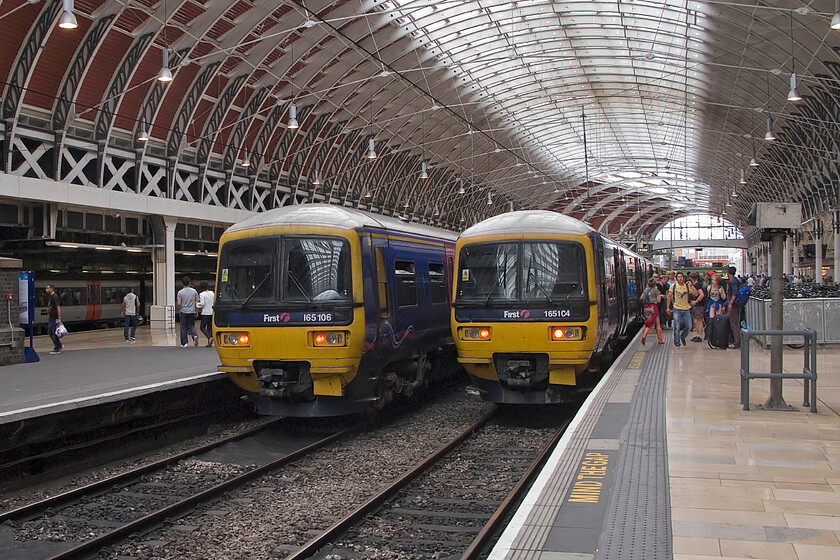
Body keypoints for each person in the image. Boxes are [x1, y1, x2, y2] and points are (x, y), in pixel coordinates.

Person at [667, 272, 691, 348]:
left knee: (689, 326)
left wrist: (691, 285)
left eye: (681, 277)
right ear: (676, 278)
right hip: (677, 308)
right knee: (677, 326)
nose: (680, 278)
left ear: (684, 278)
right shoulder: (673, 286)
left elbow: (695, 294)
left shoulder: (687, 286)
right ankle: (677, 343)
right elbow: (669, 296)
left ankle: (683, 336)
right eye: (678, 277)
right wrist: (668, 307)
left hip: (686, 308)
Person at [640, 277, 664, 345]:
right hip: (653, 307)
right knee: (658, 324)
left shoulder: (645, 290)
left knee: (648, 323)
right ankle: (660, 339)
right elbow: (659, 300)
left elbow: (641, 297)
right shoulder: (656, 290)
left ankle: (644, 335)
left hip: (646, 308)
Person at [177, 276, 199, 347]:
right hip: (192, 311)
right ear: (189, 283)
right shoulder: (194, 291)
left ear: (182, 283)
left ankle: (184, 343)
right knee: (191, 325)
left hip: (184, 311)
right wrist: (196, 310)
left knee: (183, 326)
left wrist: (181, 308)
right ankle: (194, 335)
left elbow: (179, 303)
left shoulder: (180, 292)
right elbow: (197, 301)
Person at [726, 266, 742, 349]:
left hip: (734, 305)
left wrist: (730, 303)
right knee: (734, 323)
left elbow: (734, 293)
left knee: (734, 324)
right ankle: (735, 340)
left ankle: (737, 342)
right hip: (736, 304)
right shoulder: (736, 280)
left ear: (728, 273)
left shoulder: (732, 281)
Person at [196, 280, 215, 347]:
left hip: (205, 313)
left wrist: (196, 304)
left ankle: (209, 337)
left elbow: (202, 304)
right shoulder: (212, 293)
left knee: (202, 327)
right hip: (212, 312)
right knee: (209, 327)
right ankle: (209, 342)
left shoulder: (202, 294)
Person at [688, 272, 706, 342]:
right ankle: (698, 334)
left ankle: (700, 335)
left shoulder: (697, 285)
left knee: (699, 320)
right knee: (696, 320)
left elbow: (700, 294)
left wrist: (696, 301)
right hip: (697, 305)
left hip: (699, 305)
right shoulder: (698, 285)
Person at [45, 284, 62, 355]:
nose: (46, 290)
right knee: (50, 331)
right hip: (52, 316)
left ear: (51, 289)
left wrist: (59, 318)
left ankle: (57, 348)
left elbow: (58, 308)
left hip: (54, 317)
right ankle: (59, 345)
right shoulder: (51, 297)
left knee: (53, 332)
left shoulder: (55, 297)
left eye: (47, 288)